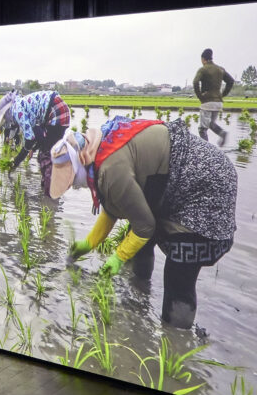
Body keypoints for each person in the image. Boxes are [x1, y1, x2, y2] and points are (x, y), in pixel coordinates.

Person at [53, 116, 237, 328]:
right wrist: (89, 243)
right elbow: (116, 205)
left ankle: (176, 339)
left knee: (179, 270)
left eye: (72, 179)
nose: (75, 186)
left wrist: (118, 257)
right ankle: (139, 292)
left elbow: (145, 226)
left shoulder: (110, 169)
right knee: (139, 229)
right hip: (178, 178)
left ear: (81, 162)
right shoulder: (101, 150)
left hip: (206, 186)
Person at [5, 89, 71, 196]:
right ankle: (49, 188)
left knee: (45, 156)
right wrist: (33, 149)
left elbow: (30, 139)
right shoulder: (24, 106)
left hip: (56, 113)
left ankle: (50, 195)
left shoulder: (17, 110)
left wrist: (15, 162)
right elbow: (39, 135)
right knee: (50, 152)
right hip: (61, 113)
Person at [192, 48, 235, 145]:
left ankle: (206, 150)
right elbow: (231, 81)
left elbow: (195, 82)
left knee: (202, 129)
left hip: (207, 102)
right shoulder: (220, 69)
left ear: (203, 59)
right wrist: (222, 95)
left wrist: (200, 97)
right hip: (218, 103)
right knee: (211, 124)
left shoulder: (203, 69)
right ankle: (222, 133)